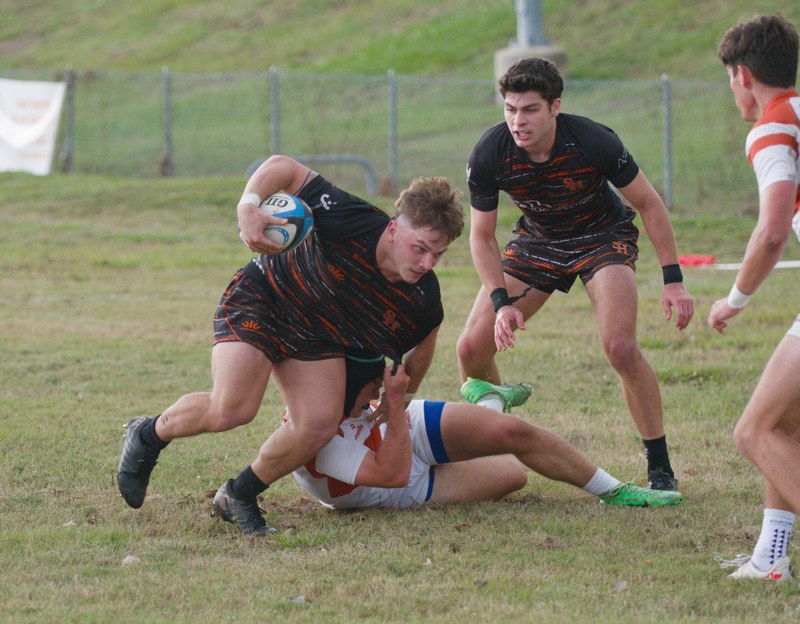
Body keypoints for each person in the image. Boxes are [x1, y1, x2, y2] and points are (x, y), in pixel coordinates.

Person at [117, 155, 465, 530]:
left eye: (439, 254)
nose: (428, 263)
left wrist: (406, 394)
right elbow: (285, 167)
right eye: (421, 247)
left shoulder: (422, 297)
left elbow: (426, 339)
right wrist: (247, 206)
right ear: (395, 229)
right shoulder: (352, 218)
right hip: (265, 296)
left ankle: (240, 493)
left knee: (318, 425)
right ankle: (150, 433)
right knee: (233, 409)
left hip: (315, 334)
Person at [456, 57, 694, 490]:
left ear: (555, 107)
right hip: (539, 243)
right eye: (510, 109)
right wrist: (500, 302)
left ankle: (660, 467)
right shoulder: (490, 152)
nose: (517, 120)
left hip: (602, 237)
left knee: (620, 348)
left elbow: (650, 204)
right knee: (471, 348)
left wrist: (673, 280)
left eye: (529, 109)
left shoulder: (592, 140)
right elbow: (481, 237)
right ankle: (496, 440)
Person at [213, 354, 681, 532]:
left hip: (403, 427)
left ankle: (615, 491)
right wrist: (393, 404)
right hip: (395, 486)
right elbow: (392, 473)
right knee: (513, 474)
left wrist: (394, 400)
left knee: (514, 436)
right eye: (369, 390)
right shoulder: (314, 436)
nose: (375, 391)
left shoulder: (349, 391)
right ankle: (489, 404)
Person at [709, 13, 799, 582]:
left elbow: (770, 231)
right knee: (781, 426)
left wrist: (735, 299)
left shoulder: (771, 127)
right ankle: (771, 559)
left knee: (752, 432)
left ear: (743, 75)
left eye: (728, 79)